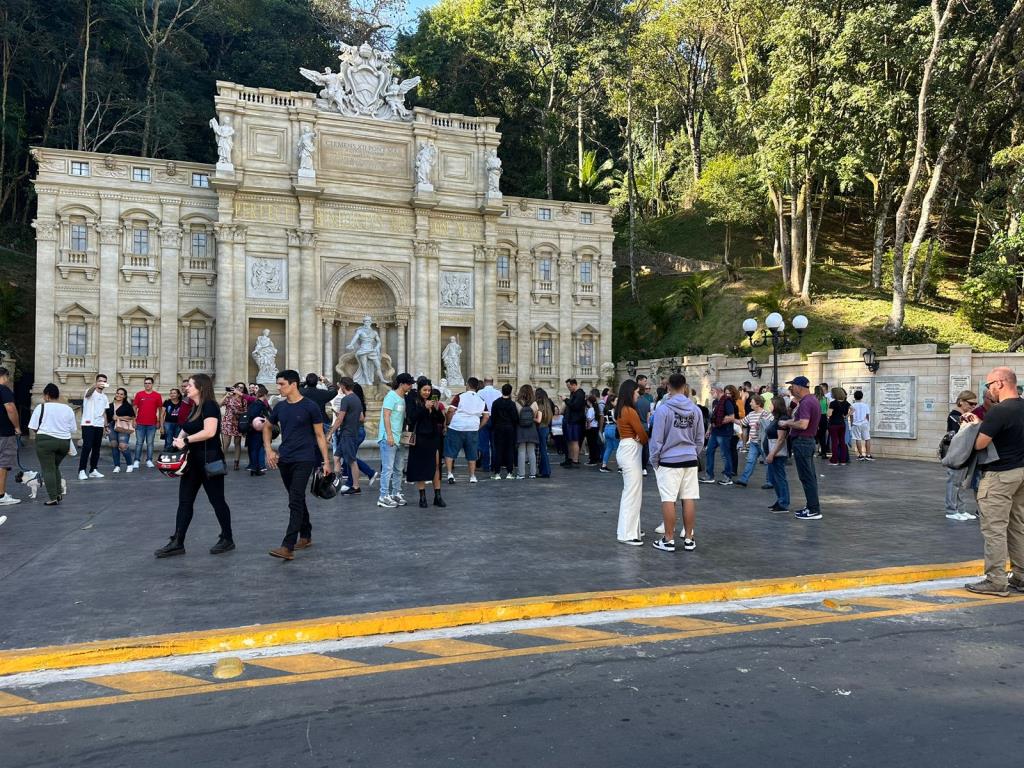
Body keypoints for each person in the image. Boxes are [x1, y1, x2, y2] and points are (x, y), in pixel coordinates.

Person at [958, 368, 1024, 595]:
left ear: (1000, 383)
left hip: (999, 476)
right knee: (1017, 526)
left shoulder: (999, 411)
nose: (988, 390)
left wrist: (973, 425)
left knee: (994, 529)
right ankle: (1021, 576)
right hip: (1021, 473)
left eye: (989, 385)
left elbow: (980, 444)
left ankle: (996, 581)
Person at [154, 373, 235, 558]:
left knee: (217, 500)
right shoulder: (194, 407)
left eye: (190, 385)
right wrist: (177, 440)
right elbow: (186, 428)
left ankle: (227, 538)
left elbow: (210, 431)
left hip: (210, 460)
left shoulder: (210, 406)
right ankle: (177, 541)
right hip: (192, 462)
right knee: (185, 501)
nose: (186, 388)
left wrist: (186, 440)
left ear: (200, 387)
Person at [264, 369, 333, 560]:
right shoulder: (280, 407)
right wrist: (268, 449)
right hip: (285, 459)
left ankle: (288, 546)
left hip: (305, 459)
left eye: (281, 384)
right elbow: (267, 426)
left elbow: (320, 435)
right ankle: (306, 534)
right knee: (297, 498)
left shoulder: (310, 406)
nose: (278, 388)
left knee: (294, 499)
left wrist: (326, 462)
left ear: (293, 384)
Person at [648, 374, 704, 552]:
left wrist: (655, 460)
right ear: (685, 386)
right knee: (688, 497)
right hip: (689, 458)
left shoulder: (663, 410)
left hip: (669, 459)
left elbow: (657, 439)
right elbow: (700, 438)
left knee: (668, 499)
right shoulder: (695, 410)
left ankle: (669, 539)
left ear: (668, 387)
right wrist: (694, 453)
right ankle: (689, 538)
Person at [780, 376, 822, 520]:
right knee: (810, 476)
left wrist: (787, 423)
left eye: (793, 386)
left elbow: (803, 424)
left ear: (799, 387)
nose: (791, 388)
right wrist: (792, 421)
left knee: (806, 477)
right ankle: (811, 506)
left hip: (803, 442)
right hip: (808, 441)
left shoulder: (806, 402)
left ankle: (813, 510)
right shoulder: (812, 400)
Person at [27, 383, 76, 505]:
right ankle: (58, 494)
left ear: (47, 395)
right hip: (64, 442)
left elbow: (33, 427)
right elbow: (73, 429)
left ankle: (53, 497)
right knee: (54, 467)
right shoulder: (68, 409)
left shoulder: (41, 407)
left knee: (48, 469)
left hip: (45, 442)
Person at [614, 379, 648, 545]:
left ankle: (632, 528)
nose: (637, 395)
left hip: (625, 448)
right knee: (632, 493)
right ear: (630, 393)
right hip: (631, 450)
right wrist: (642, 438)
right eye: (636, 392)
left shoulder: (621, 410)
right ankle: (627, 533)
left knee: (631, 492)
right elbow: (642, 433)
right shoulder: (630, 411)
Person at [406, 378, 448, 507]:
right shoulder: (413, 400)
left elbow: (440, 420)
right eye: (424, 390)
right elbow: (411, 418)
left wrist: (436, 409)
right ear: (419, 390)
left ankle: (438, 496)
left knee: (436, 465)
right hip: (420, 438)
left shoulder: (432, 401)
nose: (427, 393)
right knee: (421, 467)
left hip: (433, 437)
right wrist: (424, 408)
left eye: (429, 390)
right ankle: (422, 497)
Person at [377, 373, 415, 508]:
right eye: (409, 383)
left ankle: (396, 492)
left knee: (399, 468)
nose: (410, 386)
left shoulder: (404, 398)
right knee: (387, 468)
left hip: (399, 437)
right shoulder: (391, 396)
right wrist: (389, 435)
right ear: (401, 384)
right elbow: (386, 416)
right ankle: (383, 496)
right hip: (389, 437)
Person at [326, 377, 365, 495]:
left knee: (352, 461)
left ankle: (356, 486)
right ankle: (336, 483)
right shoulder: (357, 398)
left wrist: (330, 433)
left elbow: (339, 419)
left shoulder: (346, 399)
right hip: (350, 432)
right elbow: (361, 418)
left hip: (347, 434)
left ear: (343, 386)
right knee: (337, 458)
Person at [444, 377, 487, 484]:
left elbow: (451, 410)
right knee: (472, 453)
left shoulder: (460, 396)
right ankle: (472, 476)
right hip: (472, 427)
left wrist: (448, 422)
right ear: (477, 387)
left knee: (450, 451)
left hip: (457, 426)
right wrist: (479, 426)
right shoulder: (481, 399)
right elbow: (486, 416)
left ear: (467, 385)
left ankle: (450, 474)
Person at [945, 390, 978, 521]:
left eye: (975, 404)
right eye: (970, 403)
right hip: (957, 454)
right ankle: (951, 510)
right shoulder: (954, 416)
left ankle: (961, 509)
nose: (973, 406)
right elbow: (958, 436)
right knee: (953, 483)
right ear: (961, 402)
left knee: (962, 484)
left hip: (965, 454)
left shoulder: (965, 416)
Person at [701, 383, 737, 485]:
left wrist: (720, 422)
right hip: (715, 432)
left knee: (725, 455)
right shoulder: (715, 402)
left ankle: (728, 477)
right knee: (709, 452)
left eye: (712, 390)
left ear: (717, 390)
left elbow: (732, 417)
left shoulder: (727, 401)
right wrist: (709, 430)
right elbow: (713, 418)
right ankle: (709, 476)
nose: (710, 392)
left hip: (724, 432)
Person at [763, 396, 792, 513]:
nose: (769, 406)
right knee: (773, 478)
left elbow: (781, 439)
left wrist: (772, 454)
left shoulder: (782, 419)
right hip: (772, 452)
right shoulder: (776, 418)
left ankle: (783, 502)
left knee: (779, 478)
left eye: (771, 404)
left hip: (777, 453)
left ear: (776, 405)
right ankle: (780, 499)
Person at [77, 373, 109, 480]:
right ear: (96, 382)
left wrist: (106, 426)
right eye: (100, 381)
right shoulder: (90, 391)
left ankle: (93, 470)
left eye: (104, 381)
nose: (102, 383)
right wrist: (95, 386)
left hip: (99, 425)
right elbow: (88, 394)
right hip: (88, 423)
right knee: (87, 447)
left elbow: (104, 412)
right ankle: (81, 470)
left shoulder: (105, 397)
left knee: (96, 448)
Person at [736, 394, 770, 487]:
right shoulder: (751, 414)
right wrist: (732, 419)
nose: (750, 403)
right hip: (753, 442)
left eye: (752, 402)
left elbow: (771, 427)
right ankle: (744, 479)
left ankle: (770, 481)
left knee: (768, 462)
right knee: (750, 461)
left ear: (758, 404)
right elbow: (742, 422)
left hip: (763, 443)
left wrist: (762, 425)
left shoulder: (766, 414)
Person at [0, 367, 21, 507]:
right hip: (4, 433)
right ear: (5, 376)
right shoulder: (4, 389)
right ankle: (1, 495)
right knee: (3, 463)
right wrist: (17, 427)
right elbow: (10, 408)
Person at [132, 377, 163, 469]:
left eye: (149, 383)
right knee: (139, 443)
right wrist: (134, 420)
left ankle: (149, 460)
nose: (147, 385)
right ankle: (136, 460)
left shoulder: (157, 395)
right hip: (140, 423)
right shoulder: (139, 394)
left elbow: (160, 409)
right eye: (145, 383)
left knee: (150, 443)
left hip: (152, 423)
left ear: (152, 384)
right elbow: (134, 408)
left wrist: (158, 421)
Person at [489, 384, 519, 480]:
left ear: (502, 391)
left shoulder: (496, 403)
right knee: (509, 450)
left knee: (498, 450)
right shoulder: (512, 404)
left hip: (498, 428)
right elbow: (515, 418)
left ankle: (497, 473)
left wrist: (494, 427)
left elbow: (493, 417)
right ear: (510, 392)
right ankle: (509, 472)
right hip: (509, 428)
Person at [106, 388, 136, 473]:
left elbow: (131, 416)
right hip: (111, 426)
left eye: (121, 394)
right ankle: (117, 466)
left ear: (124, 396)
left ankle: (129, 464)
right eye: (118, 393)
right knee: (114, 445)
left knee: (122, 446)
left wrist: (119, 417)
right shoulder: (110, 405)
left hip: (123, 426)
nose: (119, 395)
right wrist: (106, 427)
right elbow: (106, 417)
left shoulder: (127, 405)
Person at [515, 384, 541, 479]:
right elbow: (535, 415)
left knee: (521, 451)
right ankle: (533, 473)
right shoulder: (534, 403)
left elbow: (516, 416)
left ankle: (521, 474)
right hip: (532, 428)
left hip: (520, 428)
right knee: (531, 451)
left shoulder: (517, 403)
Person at [220, 383, 248, 471]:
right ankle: (222, 461)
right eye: (238, 387)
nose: (239, 389)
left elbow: (246, 412)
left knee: (237, 443)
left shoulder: (244, 400)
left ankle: (236, 463)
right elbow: (219, 405)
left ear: (243, 390)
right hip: (228, 422)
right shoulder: (229, 397)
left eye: (241, 388)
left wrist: (238, 412)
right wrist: (226, 395)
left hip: (238, 423)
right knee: (226, 443)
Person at [245, 385, 271, 475]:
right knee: (257, 448)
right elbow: (257, 416)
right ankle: (255, 468)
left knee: (253, 448)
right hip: (257, 429)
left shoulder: (254, 403)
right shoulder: (260, 404)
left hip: (251, 429)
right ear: (265, 395)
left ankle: (254, 468)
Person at [478, 377, 501, 472]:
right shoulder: (498, 393)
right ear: (492, 382)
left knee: (484, 444)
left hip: (483, 418)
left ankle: (485, 465)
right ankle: (495, 465)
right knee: (494, 444)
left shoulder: (480, 392)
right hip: (496, 419)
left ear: (484, 382)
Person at [561, 379, 586, 468]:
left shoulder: (579, 394)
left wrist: (566, 400)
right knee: (570, 440)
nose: (569, 388)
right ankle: (570, 459)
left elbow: (575, 406)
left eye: (569, 386)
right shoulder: (574, 394)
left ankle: (575, 460)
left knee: (574, 441)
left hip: (576, 421)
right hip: (571, 420)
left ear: (574, 385)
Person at [634, 375, 654, 475]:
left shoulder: (635, 402)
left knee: (637, 448)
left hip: (637, 427)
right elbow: (648, 417)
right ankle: (644, 467)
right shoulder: (647, 402)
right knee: (645, 448)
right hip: (645, 427)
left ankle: (637, 466)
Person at [827, 387, 850, 466]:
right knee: (842, 442)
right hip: (842, 424)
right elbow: (853, 409)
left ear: (835, 394)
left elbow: (829, 414)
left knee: (834, 442)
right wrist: (846, 416)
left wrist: (828, 410)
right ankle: (843, 460)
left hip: (833, 424)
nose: (831, 394)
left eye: (832, 393)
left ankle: (834, 460)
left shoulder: (833, 403)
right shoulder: (846, 402)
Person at [534, 388, 554, 478]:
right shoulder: (548, 406)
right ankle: (544, 470)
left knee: (542, 451)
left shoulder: (540, 406)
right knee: (544, 450)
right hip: (546, 428)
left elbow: (538, 420)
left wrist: (532, 418)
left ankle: (545, 471)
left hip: (541, 429)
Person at [849, 390, 873, 461]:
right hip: (864, 423)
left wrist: (851, 424)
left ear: (854, 397)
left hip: (856, 424)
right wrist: (867, 422)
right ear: (862, 397)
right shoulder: (865, 405)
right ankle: (868, 455)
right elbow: (867, 415)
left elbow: (851, 416)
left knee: (858, 439)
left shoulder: (852, 405)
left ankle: (860, 455)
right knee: (867, 438)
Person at [599, 393, 619, 473]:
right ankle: (620, 467)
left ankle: (603, 466)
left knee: (608, 448)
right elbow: (616, 420)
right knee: (618, 449)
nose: (617, 402)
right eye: (616, 400)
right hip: (613, 429)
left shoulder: (605, 409)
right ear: (611, 401)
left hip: (606, 428)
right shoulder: (613, 410)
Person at [584, 394, 602, 465]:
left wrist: (588, 426)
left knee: (591, 445)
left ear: (589, 402)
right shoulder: (596, 409)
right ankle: (596, 458)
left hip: (591, 428)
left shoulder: (590, 410)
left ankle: (592, 459)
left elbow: (588, 419)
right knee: (595, 444)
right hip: (595, 427)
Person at [814, 385, 830, 459]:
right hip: (823, 417)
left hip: (815, 417)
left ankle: (815, 451)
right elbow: (828, 410)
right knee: (823, 436)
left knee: (814, 434)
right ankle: (824, 453)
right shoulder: (826, 399)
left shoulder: (814, 399)